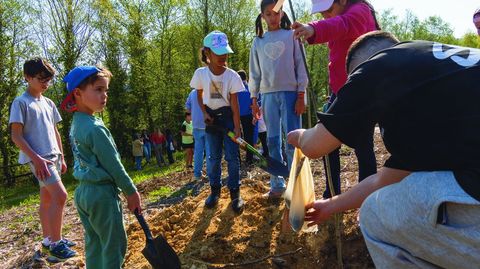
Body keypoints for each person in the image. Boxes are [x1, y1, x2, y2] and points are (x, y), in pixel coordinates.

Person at [288, 31, 480, 268]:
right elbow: (385, 180)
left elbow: (315, 147)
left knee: (374, 214)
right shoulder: (438, 77)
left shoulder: (379, 63)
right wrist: (330, 205)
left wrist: (297, 136)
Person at [292, 0, 380, 198]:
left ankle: (367, 197)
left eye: (328, 10)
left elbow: (343, 25)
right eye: (321, 13)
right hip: (339, 92)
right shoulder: (339, 15)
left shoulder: (360, 11)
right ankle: (331, 191)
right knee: (327, 142)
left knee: (363, 145)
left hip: (362, 94)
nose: (325, 16)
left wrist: (312, 29)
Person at [61, 66, 142, 268]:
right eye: (98, 90)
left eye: (106, 90)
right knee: (113, 246)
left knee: (95, 244)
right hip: (102, 195)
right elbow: (114, 166)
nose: (104, 95)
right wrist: (131, 192)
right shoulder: (95, 128)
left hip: (83, 194)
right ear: (77, 93)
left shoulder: (77, 123)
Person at [9, 58, 77, 260]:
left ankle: (48, 239)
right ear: (27, 77)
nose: (45, 84)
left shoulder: (48, 103)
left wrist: (62, 157)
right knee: (61, 196)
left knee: (47, 199)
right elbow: (16, 136)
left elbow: (54, 132)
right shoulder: (21, 103)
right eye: (41, 79)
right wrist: (37, 159)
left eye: (48, 80)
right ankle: (56, 245)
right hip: (39, 160)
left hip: (53, 157)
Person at [249, 0, 308, 198]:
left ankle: (297, 183)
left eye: (276, 13)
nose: (273, 18)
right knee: (273, 141)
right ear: (262, 16)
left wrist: (301, 94)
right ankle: (277, 184)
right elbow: (254, 73)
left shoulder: (292, 36)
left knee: (293, 140)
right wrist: (254, 99)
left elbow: (300, 66)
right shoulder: (259, 41)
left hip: (291, 94)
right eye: (268, 14)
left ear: (282, 13)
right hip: (268, 96)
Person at [190, 30, 245, 213]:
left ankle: (235, 194)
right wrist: (204, 112)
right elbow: (199, 94)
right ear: (207, 53)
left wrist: (237, 128)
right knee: (213, 158)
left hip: (228, 119)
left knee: (232, 157)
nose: (223, 56)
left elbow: (235, 105)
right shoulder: (201, 74)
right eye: (218, 53)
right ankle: (214, 191)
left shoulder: (232, 76)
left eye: (225, 52)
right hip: (212, 121)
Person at [185, 88, 210, 180]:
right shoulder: (208, 90)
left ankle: (197, 174)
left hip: (196, 126)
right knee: (209, 151)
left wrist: (194, 116)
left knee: (198, 152)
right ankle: (210, 173)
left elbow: (187, 108)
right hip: (207, 125)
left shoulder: (192, 93)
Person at [236, 70, 256, 166]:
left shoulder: (235, 89)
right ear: (246, 77)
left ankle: (237, 160)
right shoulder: (251, 88)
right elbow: (256, 102)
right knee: (249, 138)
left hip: (236, 116)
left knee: (236, 137)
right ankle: (249, 159)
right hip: (248, 115)